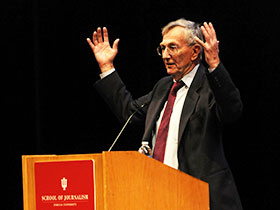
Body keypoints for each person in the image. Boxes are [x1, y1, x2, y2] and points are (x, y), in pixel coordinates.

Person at [87, 18, 243, 210]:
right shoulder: (163, 87)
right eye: (163, 48)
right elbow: (129, 113)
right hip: (160, 196)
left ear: (195, 51)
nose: (165, 55)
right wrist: (106, 67)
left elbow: (232, 110)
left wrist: (215, 66)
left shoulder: (210, 87)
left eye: (173, 47)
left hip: (201, 199)